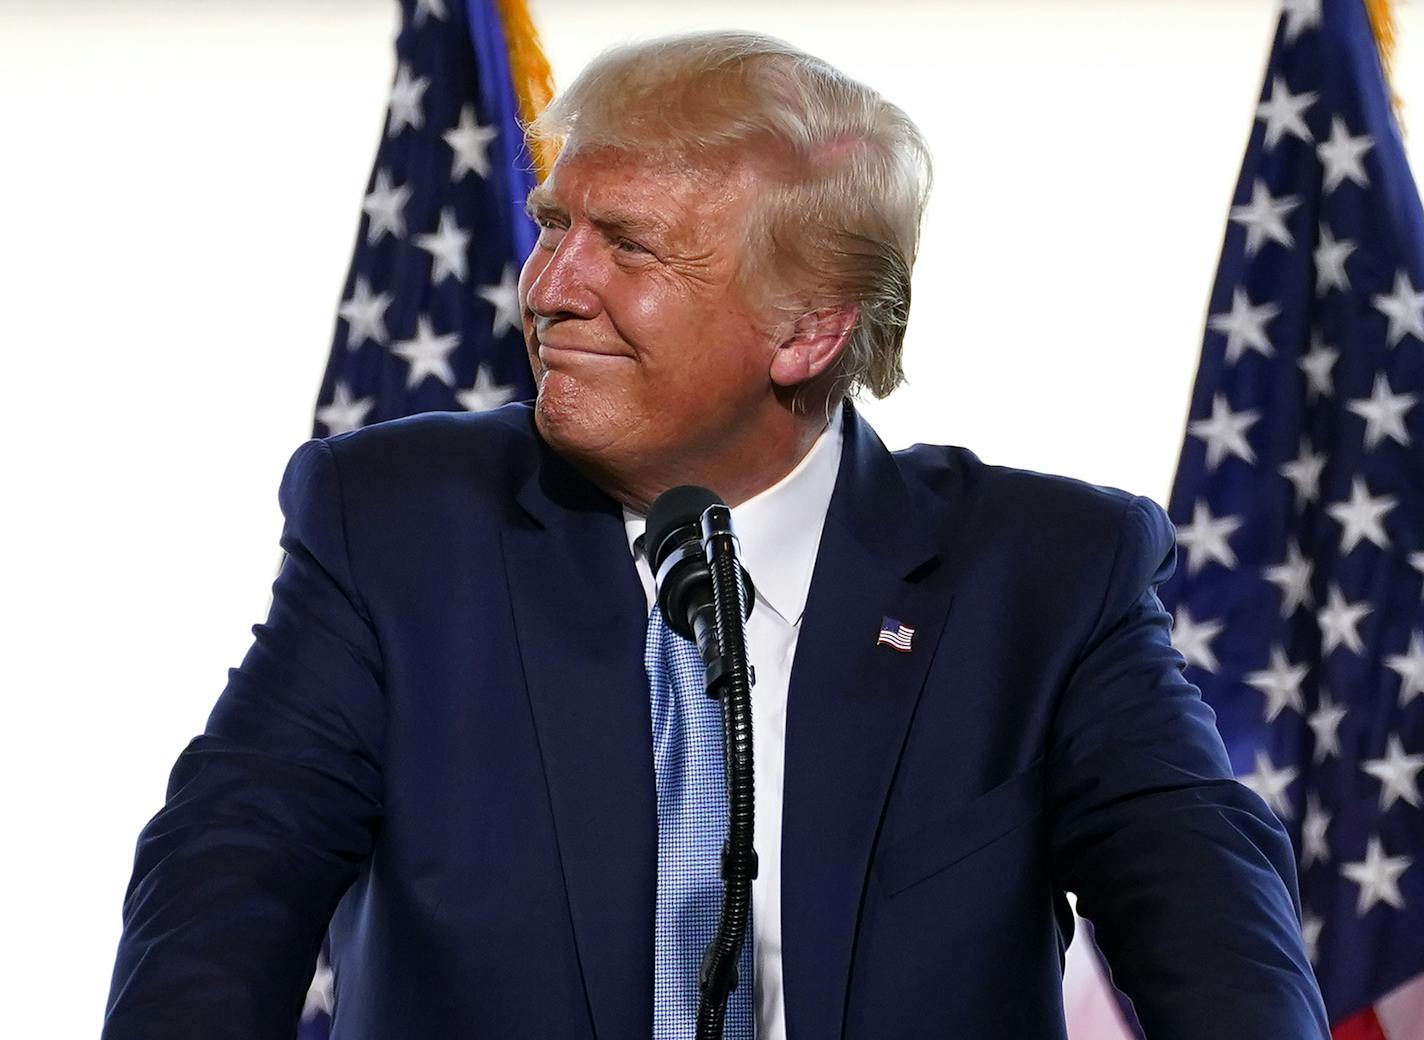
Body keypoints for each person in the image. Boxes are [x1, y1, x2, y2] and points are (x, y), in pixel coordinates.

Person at [104, 30, 1329, 1039]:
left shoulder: (1045, 576)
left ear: (804, 330)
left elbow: (1208, 915)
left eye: (625, 244)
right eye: (553, 223)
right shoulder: (397, 524)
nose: (548, 285)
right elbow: (228, 871)